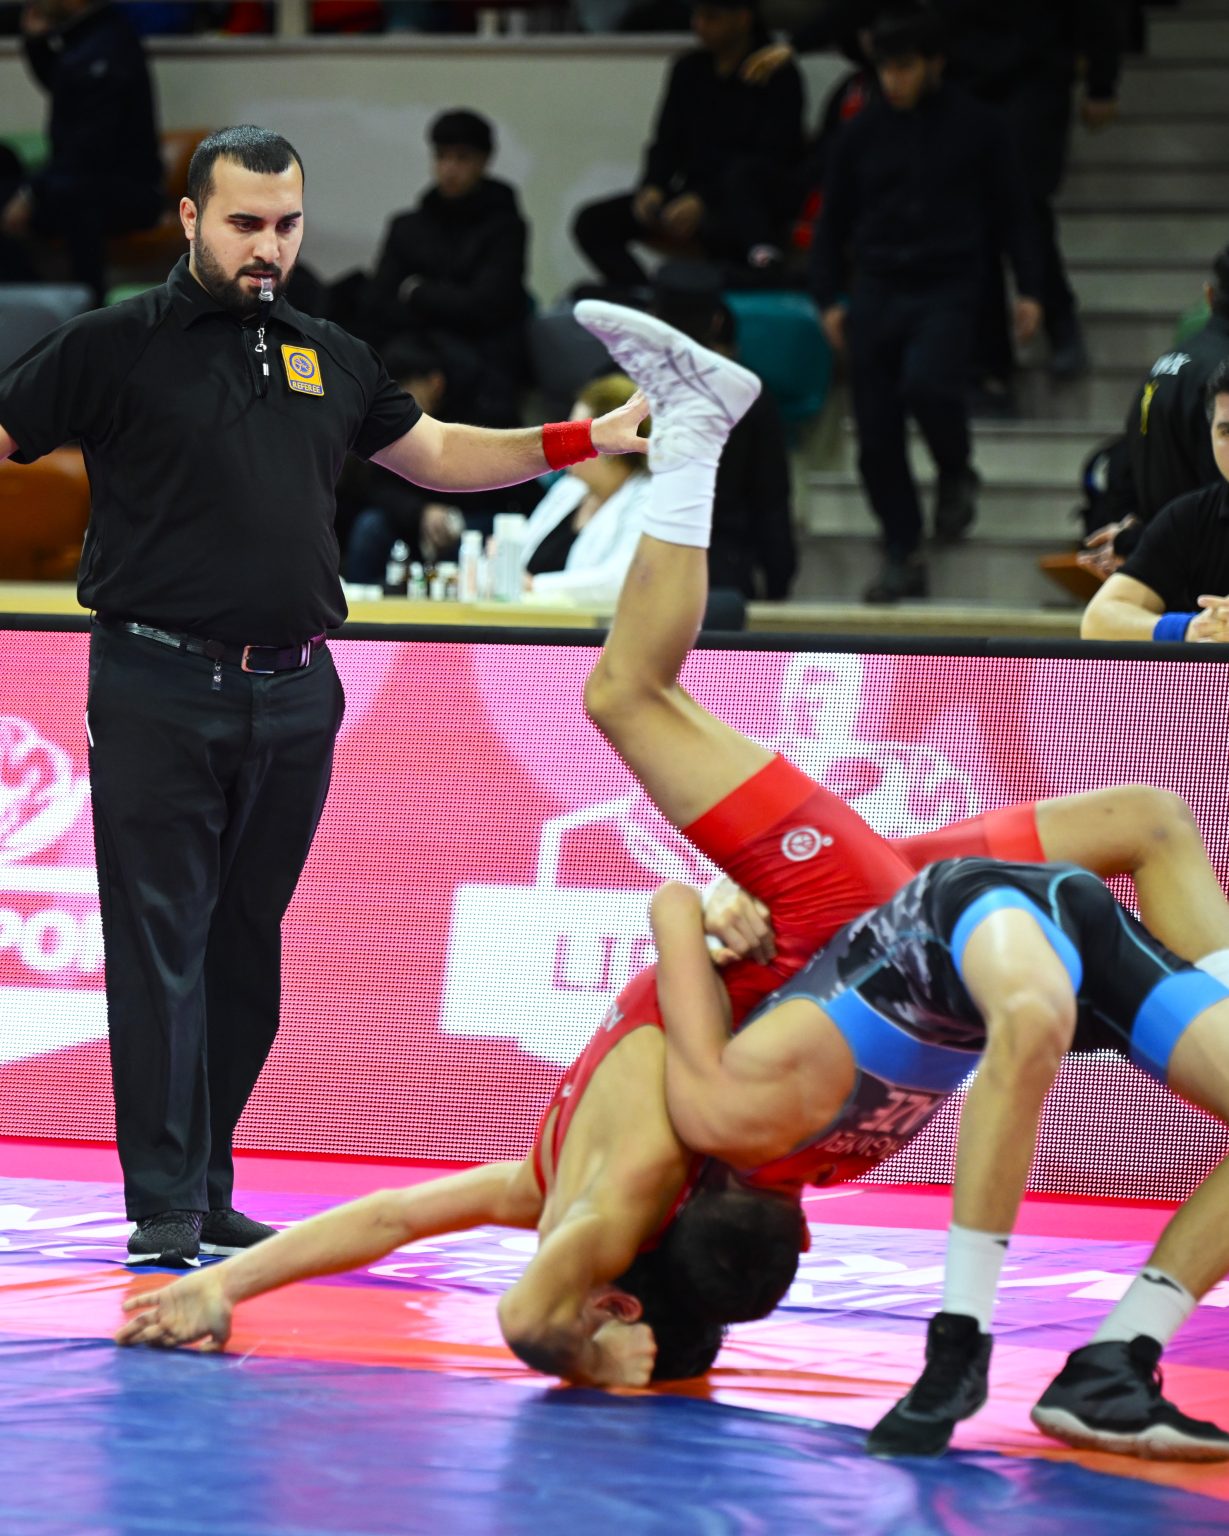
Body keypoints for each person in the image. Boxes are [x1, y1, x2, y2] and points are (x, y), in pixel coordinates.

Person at [564, 296, 1229, 1462]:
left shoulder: (731, 1137)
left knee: (1055, 968)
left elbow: (685, 931)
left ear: (797, 1240)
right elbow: (666, 926)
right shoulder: (683, 1143)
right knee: (626, 696)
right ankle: (1108, 1358)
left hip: (923, 923)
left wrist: (951, 1341)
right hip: (927, 922)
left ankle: (697, 433)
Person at [0, 124, 649, 1268]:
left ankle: (206, 1188)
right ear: (191, 217)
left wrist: (582, 436)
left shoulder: (328, 353)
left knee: (245, 952)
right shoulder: (110, 344)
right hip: (156, 683)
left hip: (299, 691)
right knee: (162, 951)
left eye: (286, 225)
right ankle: (163, 1206)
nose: (268, 247)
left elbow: (438, 454)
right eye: (244, 223)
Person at [809, 5, 1043, 604]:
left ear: (935, 63)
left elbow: (1016, 212)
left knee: (929, 384)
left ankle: (955, 468)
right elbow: (832, 221)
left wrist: (1030, 287)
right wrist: (827, 297)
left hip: (949, 282)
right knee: (876, 433)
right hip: (876, 286)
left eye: (906, 67)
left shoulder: (978, 126)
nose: (894, 80)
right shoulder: (860, 133)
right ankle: (902, 549)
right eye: (885, 68)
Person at [571, 0, 805, 294]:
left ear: (743, 19)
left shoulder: (776, 74)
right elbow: (666, 140)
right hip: (685, 193)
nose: (699, 26)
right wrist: (653, 186)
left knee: (728, 225)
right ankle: (642, 294)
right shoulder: (689, 69)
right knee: (593, 223)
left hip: (745, 203)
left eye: (712, 17)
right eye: (697, 16)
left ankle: (715, 299)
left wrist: (704, 200)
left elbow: (774, 156)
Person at [358, 108, 532, 429]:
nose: (449, 168)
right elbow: (377, 303)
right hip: (413, 356)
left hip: (479, 368)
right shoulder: (408, 226)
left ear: (484, 161)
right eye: (442, 156)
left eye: (462, 158)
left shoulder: (506, 228)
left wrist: (417, 292)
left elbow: (487, 308)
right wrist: (448, 302)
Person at [0, 0, 164, 304]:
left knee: (69, 195)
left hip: (122, 190)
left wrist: (30, 193)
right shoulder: (92, 37)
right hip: (91, 181)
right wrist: (36, 43)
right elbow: (66, 86)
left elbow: (89, 147)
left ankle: (65, 307)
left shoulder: (106, 47)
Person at [1081, 247, 1229, 582]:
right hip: (1212, 583)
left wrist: (1137, 539)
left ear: (1209, 296)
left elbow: (1128, 469)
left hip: (1171, 575)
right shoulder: (1222, 372)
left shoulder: (1166, 363)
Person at [1081, 359, 1229, 643]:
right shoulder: (1189, 518)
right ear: (1210, 434)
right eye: (1227, 432)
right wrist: (1193, 628)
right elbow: (1098, 619)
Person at [521, 374, 652, 605]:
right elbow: (519, 557)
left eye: (576, 433)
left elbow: (621, 580)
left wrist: (535, 586)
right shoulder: (567, 490)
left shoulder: (649, 498)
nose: (564, 442)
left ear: (613, 444)